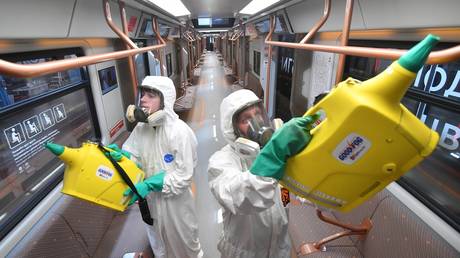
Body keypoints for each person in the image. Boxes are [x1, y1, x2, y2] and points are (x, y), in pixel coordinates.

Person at [208, 89, 317, 258]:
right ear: (233, 128)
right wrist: (274, 155)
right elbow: (243, 197)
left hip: (280, 248)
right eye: (246, 119)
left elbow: (300, 189)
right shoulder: (221, 162)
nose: (256, 122)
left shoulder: (277, 153)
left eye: (258, 114)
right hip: (244, 253)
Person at [121, 76, 203, 258]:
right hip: (150, 203)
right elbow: (132, 154)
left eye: (150, 95)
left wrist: (152, 184)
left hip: (177, 206)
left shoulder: (180, 132)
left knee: (186, 247)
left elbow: (184, 176)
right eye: (143, 94)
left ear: (165, 100)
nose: (143, 99)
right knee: (159, 244)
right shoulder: (141, 128)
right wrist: (121, 159)